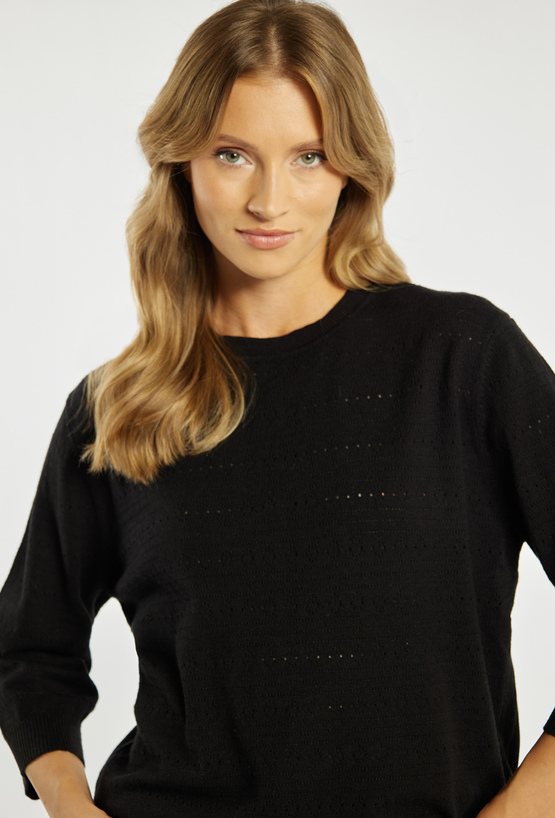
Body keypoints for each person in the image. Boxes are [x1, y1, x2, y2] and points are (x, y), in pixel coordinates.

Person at [0, 0, 554, 816]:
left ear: (351, 167)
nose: (268, 200)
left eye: (307, 157)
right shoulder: (118, 407)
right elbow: (28, 652)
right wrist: (71, 805)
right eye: (232, 155)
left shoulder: (463, 359)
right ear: (182, 163)